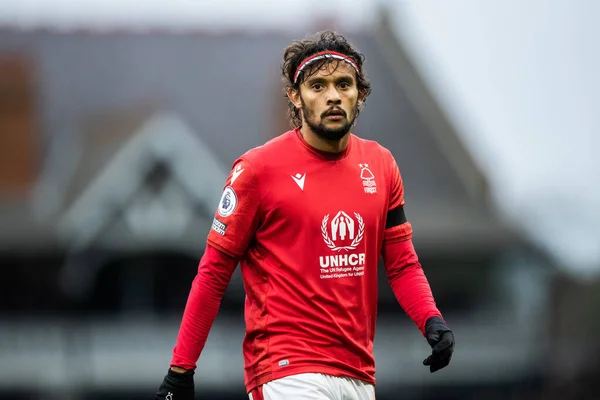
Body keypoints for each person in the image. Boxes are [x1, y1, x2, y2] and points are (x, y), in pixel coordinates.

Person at [155, 31, 455, 400]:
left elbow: (401, 263)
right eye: (317, 85)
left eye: (344, 84)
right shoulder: (257, 170)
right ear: (295, 97)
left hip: (358, 374)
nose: (332, 95)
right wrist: (181, 369)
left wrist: (431, 319)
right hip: (286, 371)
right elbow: (214, 271)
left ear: (360, 96)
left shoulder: (382, 165)